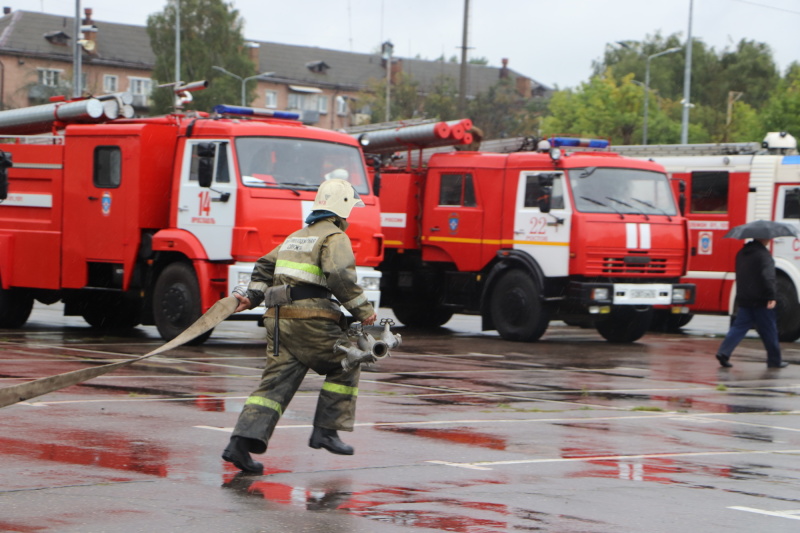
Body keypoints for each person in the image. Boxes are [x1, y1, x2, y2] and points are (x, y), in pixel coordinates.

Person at [222, 178, 377, 474]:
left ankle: (239, 445)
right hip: (311, 320)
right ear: (342, 209)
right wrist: (363, 311)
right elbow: (340, 276)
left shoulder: (296, 237)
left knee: (273, 385)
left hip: (279, 322)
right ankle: (326, 431)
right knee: (347, 360)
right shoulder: (334, 237)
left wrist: (253, 295)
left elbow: (264, 266)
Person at [715, 238, 787, 369]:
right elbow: (768, 277)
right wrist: (771, 295)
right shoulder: (764, 255)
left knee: (738, 328)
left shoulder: (741, 253)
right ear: (764, 239)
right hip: (761, 300)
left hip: (745, 298)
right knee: (769, 330)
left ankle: (723, 352)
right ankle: (775, 361)